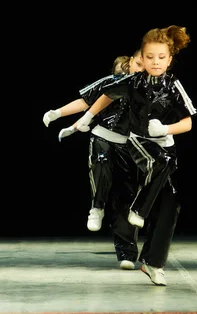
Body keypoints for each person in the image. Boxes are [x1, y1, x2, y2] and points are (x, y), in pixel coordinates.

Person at [72, 25, 196, 286]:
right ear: (141, 57)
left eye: (161, 57)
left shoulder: (174, 85)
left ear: (170, 59)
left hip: (165, 145)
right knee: (136, 186)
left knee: (171, 203)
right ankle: (129, 225)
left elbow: (188, 123)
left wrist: (166, 128)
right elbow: (105, 95)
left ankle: (153, 263)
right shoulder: (132, 81)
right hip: (137, 145)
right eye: (150, 57)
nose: (155, 62)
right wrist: (86, 118)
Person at [43, 51, 143, 270]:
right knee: (101, 171)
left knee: (127, 196)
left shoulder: (151, 87)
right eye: (137, 62)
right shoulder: (112, 82)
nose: (138, 67)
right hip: (104, 136)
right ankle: (96, 207)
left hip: (131, 145)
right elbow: (87, 101)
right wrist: (59, 114)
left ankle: (127, 252)